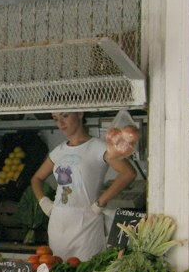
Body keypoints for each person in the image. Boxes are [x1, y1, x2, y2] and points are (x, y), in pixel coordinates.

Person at [31, 112, 137, 261]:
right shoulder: (59, 151)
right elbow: (36, 178)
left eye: (65, 116)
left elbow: (128, 173)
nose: (60, 123)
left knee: (87, 271)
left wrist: (101, 201)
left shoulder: (98, 147)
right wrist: (43, 202)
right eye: (56, 119)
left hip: (86, 222)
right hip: (58, 223)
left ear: (80, 114)